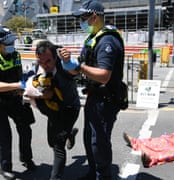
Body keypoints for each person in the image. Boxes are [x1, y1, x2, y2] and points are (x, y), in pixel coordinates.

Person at [60, 0, 125, 179]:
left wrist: (79, 67)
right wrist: (67, 61)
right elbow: (77, 67)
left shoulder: (107, 40)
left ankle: (103, 176)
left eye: (83, 18)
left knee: (100, 142)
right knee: (89, 139)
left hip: (106, 100)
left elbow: (104, 75)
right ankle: (92, 172)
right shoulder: (92, 39)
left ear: (94, 17)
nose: (81, 22)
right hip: (94, 96)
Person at [0, 26, 36, 180]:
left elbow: (19, 75)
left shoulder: (15, 55)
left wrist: (28, 85)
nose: (12, 45)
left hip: (14, 99)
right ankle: (5, 167)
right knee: (5, 136)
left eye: (12, 41)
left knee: (26, 129)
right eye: (8, 43)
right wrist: (18, 85)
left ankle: (26, 158)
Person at [24, 40, 81, 180]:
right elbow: (28, 81)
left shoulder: (64, 65)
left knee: (58, 146)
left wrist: (68, 61)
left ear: (55, 57)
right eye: (41, 61)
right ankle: (70, 133)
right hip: (54, 111)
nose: (45, 65)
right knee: (51, 141)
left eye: (48, 61)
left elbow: (75, 71)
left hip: (70, 108)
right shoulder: (39, 66)